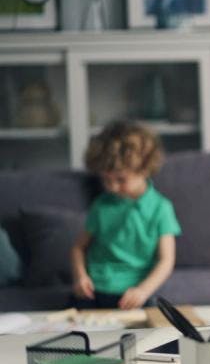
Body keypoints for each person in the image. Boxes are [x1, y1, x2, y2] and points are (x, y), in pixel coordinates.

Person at [70, 121, 181, 310]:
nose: (112, 187)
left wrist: (143, 290)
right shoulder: (101, 205)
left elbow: (166, 260)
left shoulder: (161, 208)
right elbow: (78, 248)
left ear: (144, 169)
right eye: (106, 179)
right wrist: (80, 277)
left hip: (134, 295)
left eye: (121, 179)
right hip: (93, 292)